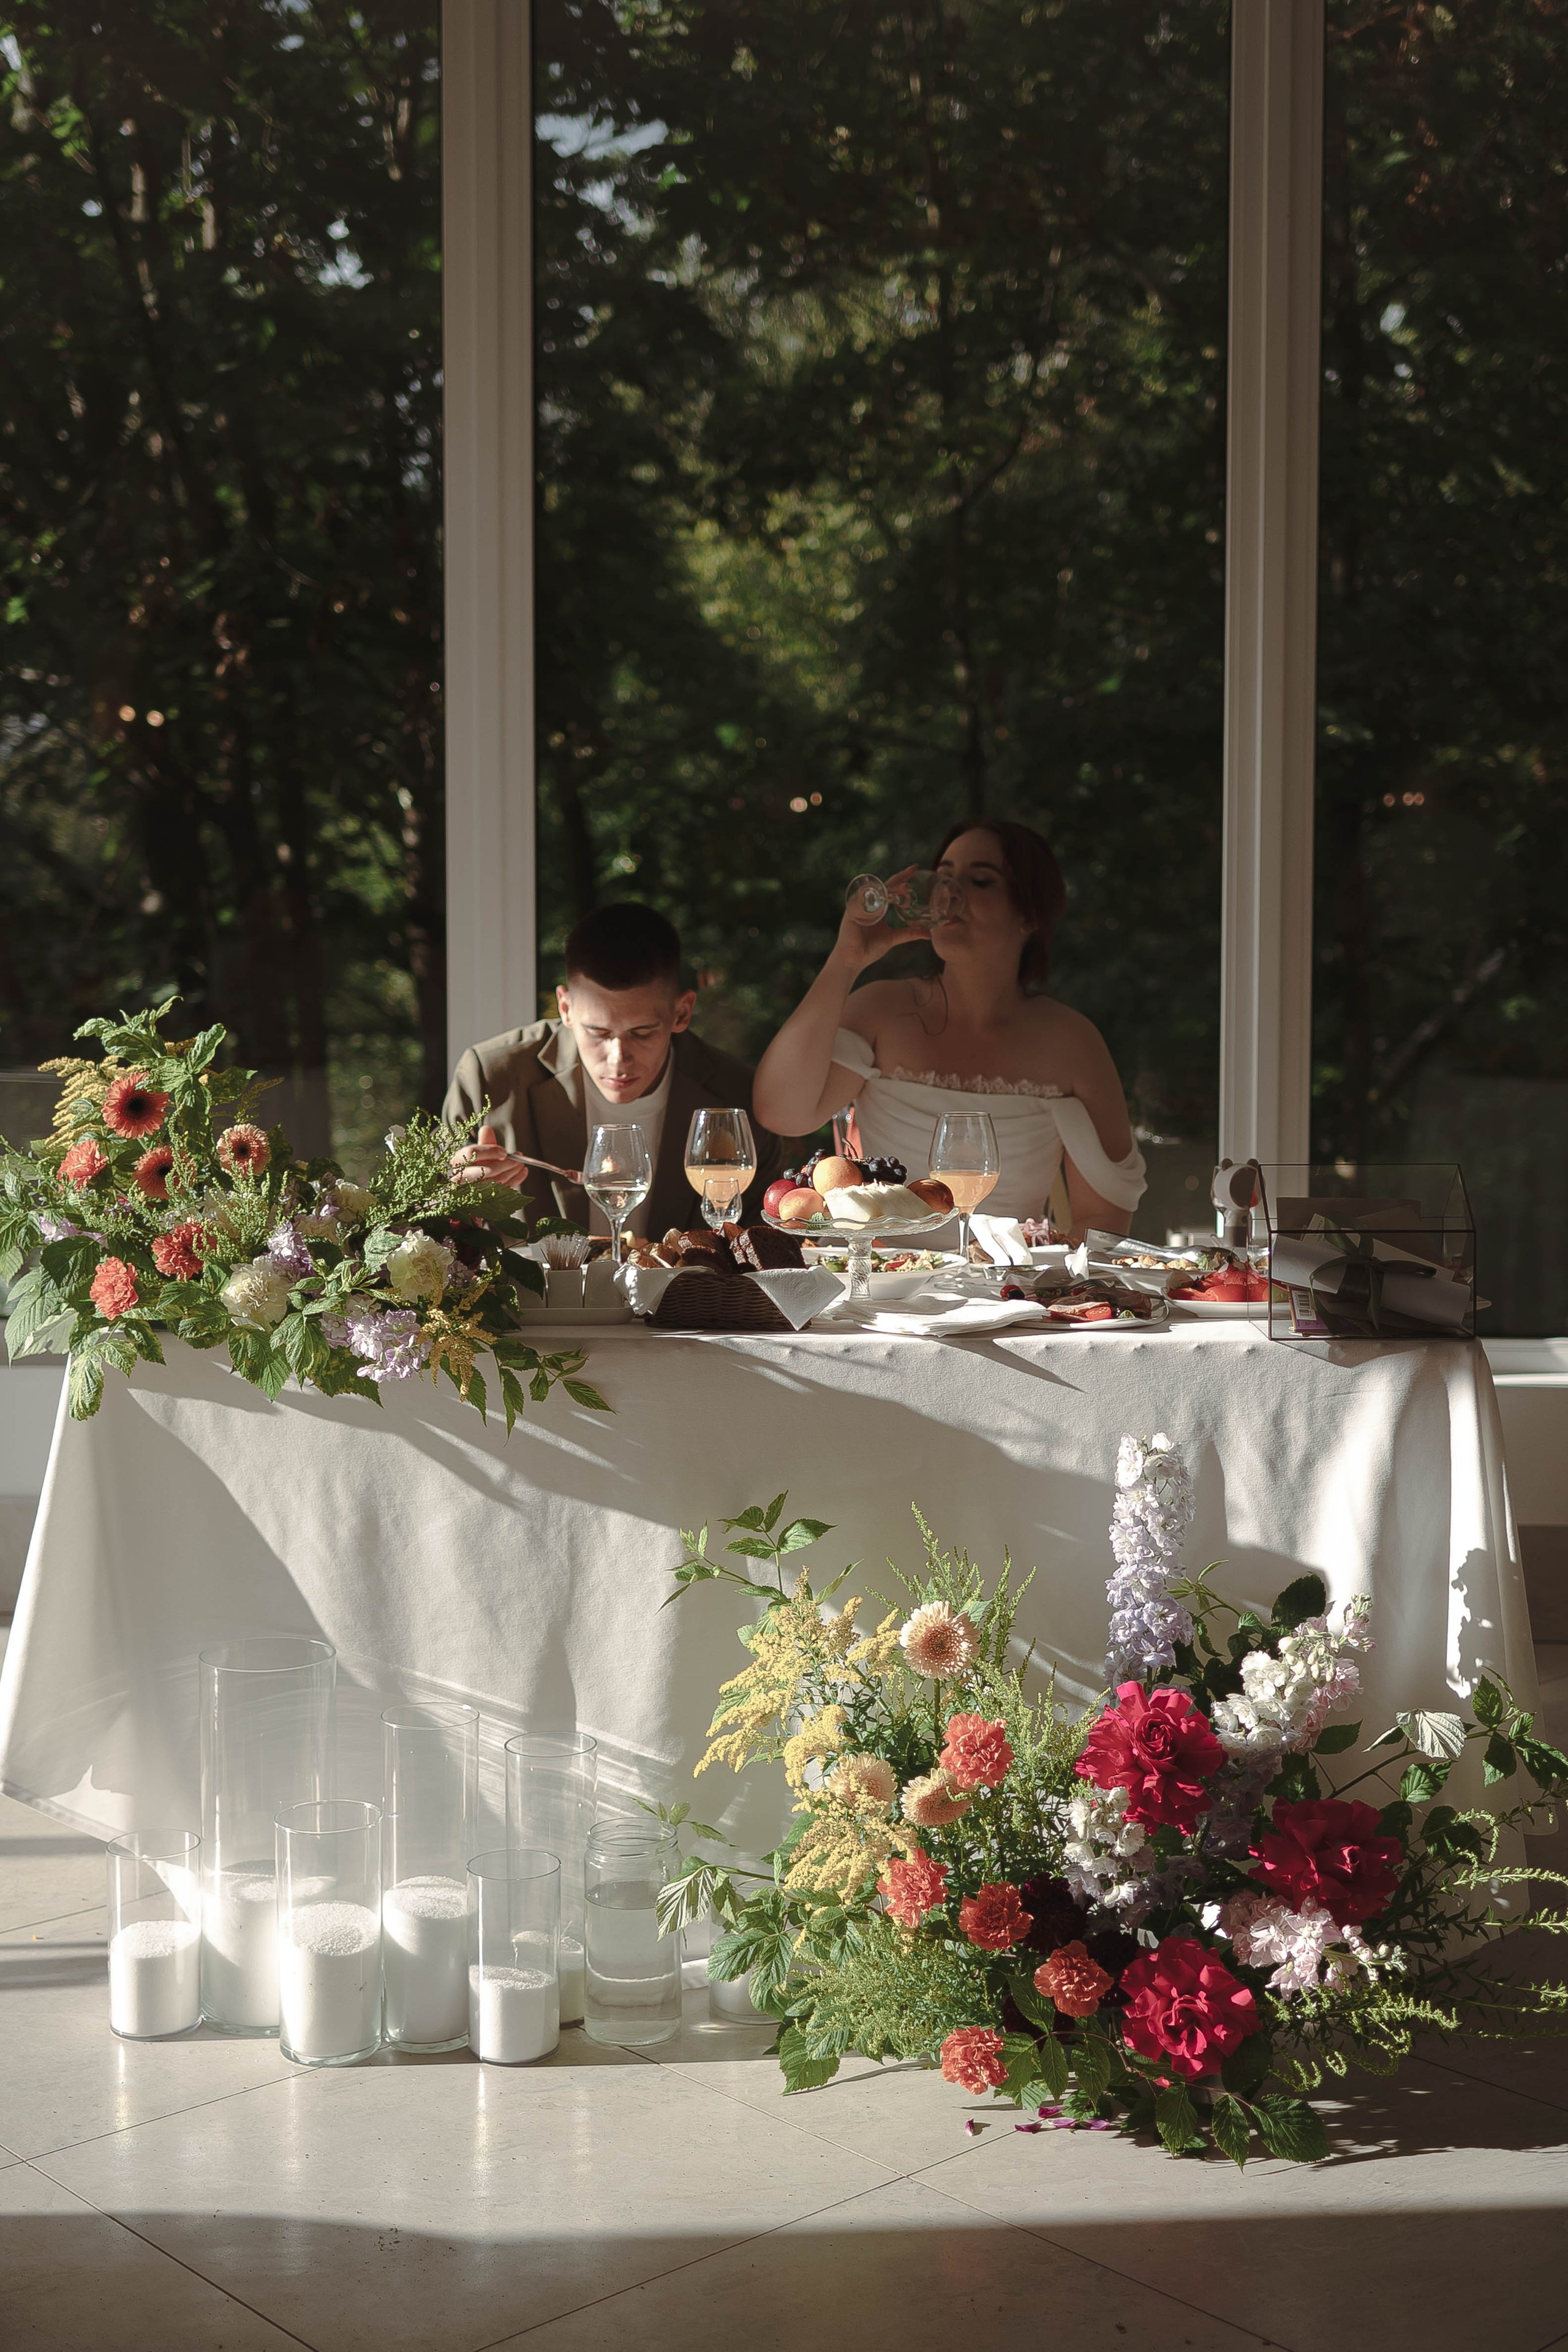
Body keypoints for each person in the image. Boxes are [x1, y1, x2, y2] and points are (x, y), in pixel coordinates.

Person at [752, 819, 1145, 1241]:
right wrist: (846, 960)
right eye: (943, 879)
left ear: (1030, 914)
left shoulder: (1072, 1042)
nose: (949, 896)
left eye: (979, 881)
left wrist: (1031, 1289)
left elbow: (1105, 1221)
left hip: (1008, 1295)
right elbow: (781, 1114)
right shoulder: (882, 1010)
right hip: (888, 1287)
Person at [447, 902, 785, 1237]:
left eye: (641, 1033)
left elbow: (760, 1246)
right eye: (598, 1033)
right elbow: (420, 1224)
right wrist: (456, 1192)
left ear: (682, 1013)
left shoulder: (737, 1095)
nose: (618, 1059)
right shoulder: (490, 1076)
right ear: (565, 1008)